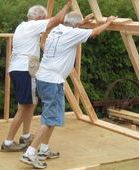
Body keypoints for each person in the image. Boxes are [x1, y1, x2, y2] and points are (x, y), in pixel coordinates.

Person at [19, 11, 117, 168]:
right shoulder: (72, 33)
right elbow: (97, 32)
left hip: (44, 77)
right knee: (49, 119)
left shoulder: (56, 30)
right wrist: (109, 22)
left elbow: (73, 30)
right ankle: (30, 153)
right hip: (52, 81)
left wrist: (82, 22)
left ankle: (44, 150)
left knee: (51, 117)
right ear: (76, 25)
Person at [0, 0, 72, 152]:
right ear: (39, 18)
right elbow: (57, 20)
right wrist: (68, 4)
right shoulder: (33, 25)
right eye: (44, 18)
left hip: (18, 68)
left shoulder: (22, 26)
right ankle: (8, 142)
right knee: (24, 106)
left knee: (30, 103)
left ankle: (25, 136)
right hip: (26, 69)